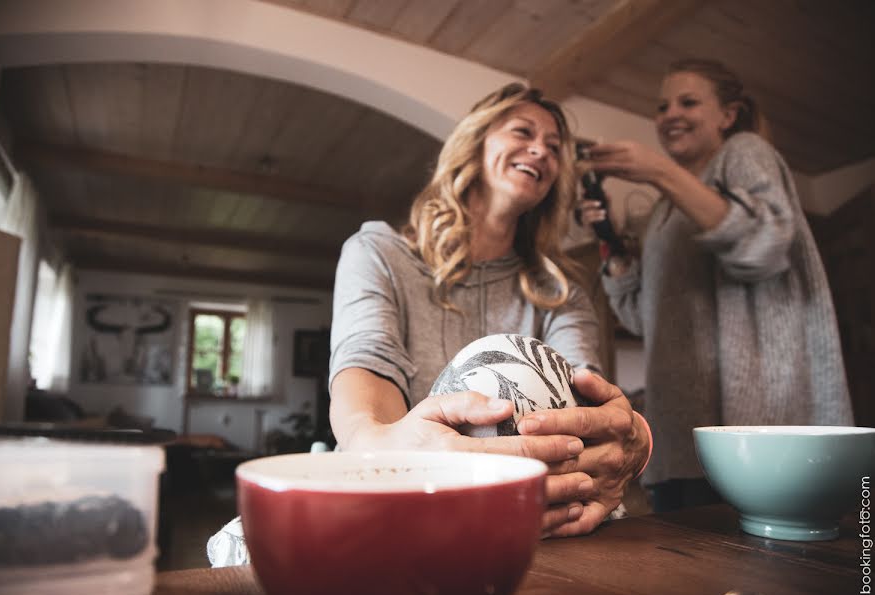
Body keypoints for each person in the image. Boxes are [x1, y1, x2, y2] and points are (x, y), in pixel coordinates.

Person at [328, 83, 652, 537]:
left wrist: (631, 438)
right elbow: (368, 364)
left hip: (527, 525)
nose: (540, 150)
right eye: (522, 132)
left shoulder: (560, 292)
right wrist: (378, 444)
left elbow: (581, 395)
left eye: (554, 147)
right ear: (474, 144)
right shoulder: (377, 254)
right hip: (392, 514)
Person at [580, 59, 854, 512]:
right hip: (681, 438)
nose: (670, 114)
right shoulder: (664, 212)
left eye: (688, 102)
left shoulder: (743, 151)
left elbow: (765, 246)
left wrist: (658, 171)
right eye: (663, 105)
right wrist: (610, 245)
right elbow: (642, 318)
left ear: (729, 115)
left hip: (756, 424)